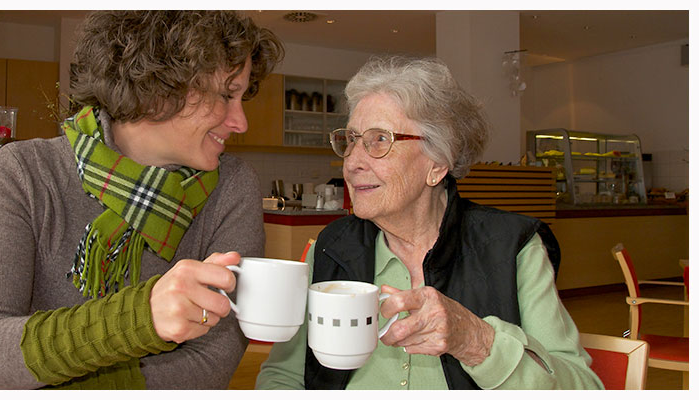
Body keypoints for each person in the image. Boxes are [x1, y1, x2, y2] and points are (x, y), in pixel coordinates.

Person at [0, 11, 283, 389]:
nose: (241, 122)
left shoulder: (232, 186)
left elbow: (213, 360)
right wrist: (140, 317)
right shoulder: (25, 173)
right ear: (160, 84)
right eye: (226, 95)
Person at [255, 56, 603, 390]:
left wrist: (476, 341)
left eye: (379, 140)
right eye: (350, 140)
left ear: (437, 163)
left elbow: (583, 387)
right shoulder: (332, 249)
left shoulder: (511, 247)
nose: (352, 162)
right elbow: (284, 376)